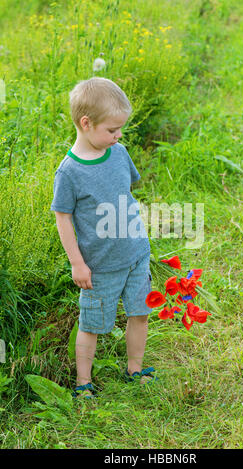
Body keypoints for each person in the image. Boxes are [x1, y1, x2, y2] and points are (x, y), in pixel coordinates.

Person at [50, 77, 156, 397]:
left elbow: (126, 193)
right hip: (100, 267)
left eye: (120, 129)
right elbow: (63, 219)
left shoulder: (119, 153)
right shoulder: (69, 172)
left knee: (140, 313)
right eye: (112, 130)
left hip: (136, 253)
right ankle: (84, 383)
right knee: (92, 324)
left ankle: (135, 369)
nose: (118, 135)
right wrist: (77, 263)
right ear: (86, 123)